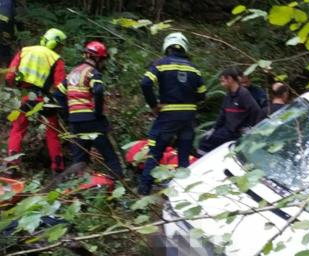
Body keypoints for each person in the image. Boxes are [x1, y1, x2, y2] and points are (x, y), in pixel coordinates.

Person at [138, 32, 206, 195]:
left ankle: (144, 189)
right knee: (184, 154)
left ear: (166, 47)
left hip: (168, 116)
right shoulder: (194, 68)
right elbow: (202, 94)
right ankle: (184, 191)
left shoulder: (161, 64)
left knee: (155, 151)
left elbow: (145, 83)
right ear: (184, 47)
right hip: (188, 118)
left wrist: (154, 105)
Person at [55, 41, 124, 179]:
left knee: (80, 160)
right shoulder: (93, 72)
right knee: (109, 155)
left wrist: (68, 115)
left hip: (75, 122)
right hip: (91, 120)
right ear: (98, 58)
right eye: (104, 60)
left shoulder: (73, 73)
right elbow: (98, 90)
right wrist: (98, 113)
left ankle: (75, 189)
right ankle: (119, 182)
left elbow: (58, 94)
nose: (104, 64)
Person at [5, 28, 67, 174]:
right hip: (44, 99)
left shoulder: (25, 51)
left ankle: (12, 164)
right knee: (52, 132)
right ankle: (58, 167)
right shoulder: (56, 59)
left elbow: (10, 75)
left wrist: (12, 90)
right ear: (55, 44)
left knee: (17, 129)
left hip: (24, 97)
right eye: (60, 46)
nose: (60, 50)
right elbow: (61, 86)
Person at [198, 68, 262, 154]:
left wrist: (249, 127)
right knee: (205, 140)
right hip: (226, 130)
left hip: (236, 133)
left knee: (207, 143)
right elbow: (223, 114)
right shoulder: (229, 95)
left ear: (230, 79)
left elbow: (256, 111)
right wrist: (214, 129)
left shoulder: (243, 93)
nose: (222, 84)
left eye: (223, 81)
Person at [0, 0, 16, 70]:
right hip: (5, 23)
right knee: (5, 43)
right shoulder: (9, 2)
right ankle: (5, 63)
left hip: (4, 21)